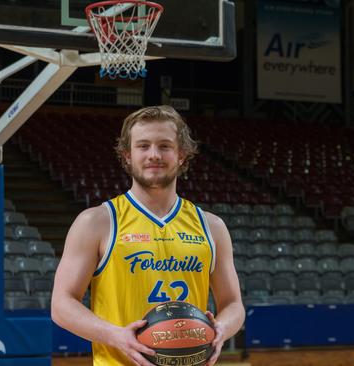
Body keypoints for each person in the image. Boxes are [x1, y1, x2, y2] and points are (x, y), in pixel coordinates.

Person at [51, 105, 244, 366]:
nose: (154, 155)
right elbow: (61, 305)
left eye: (165, 146)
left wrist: (221, 328)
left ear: (182, 156)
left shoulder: (212, 227)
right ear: (127, 155)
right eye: (143, 146)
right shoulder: (97, 222)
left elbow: (233, 304)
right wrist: (117, 336)